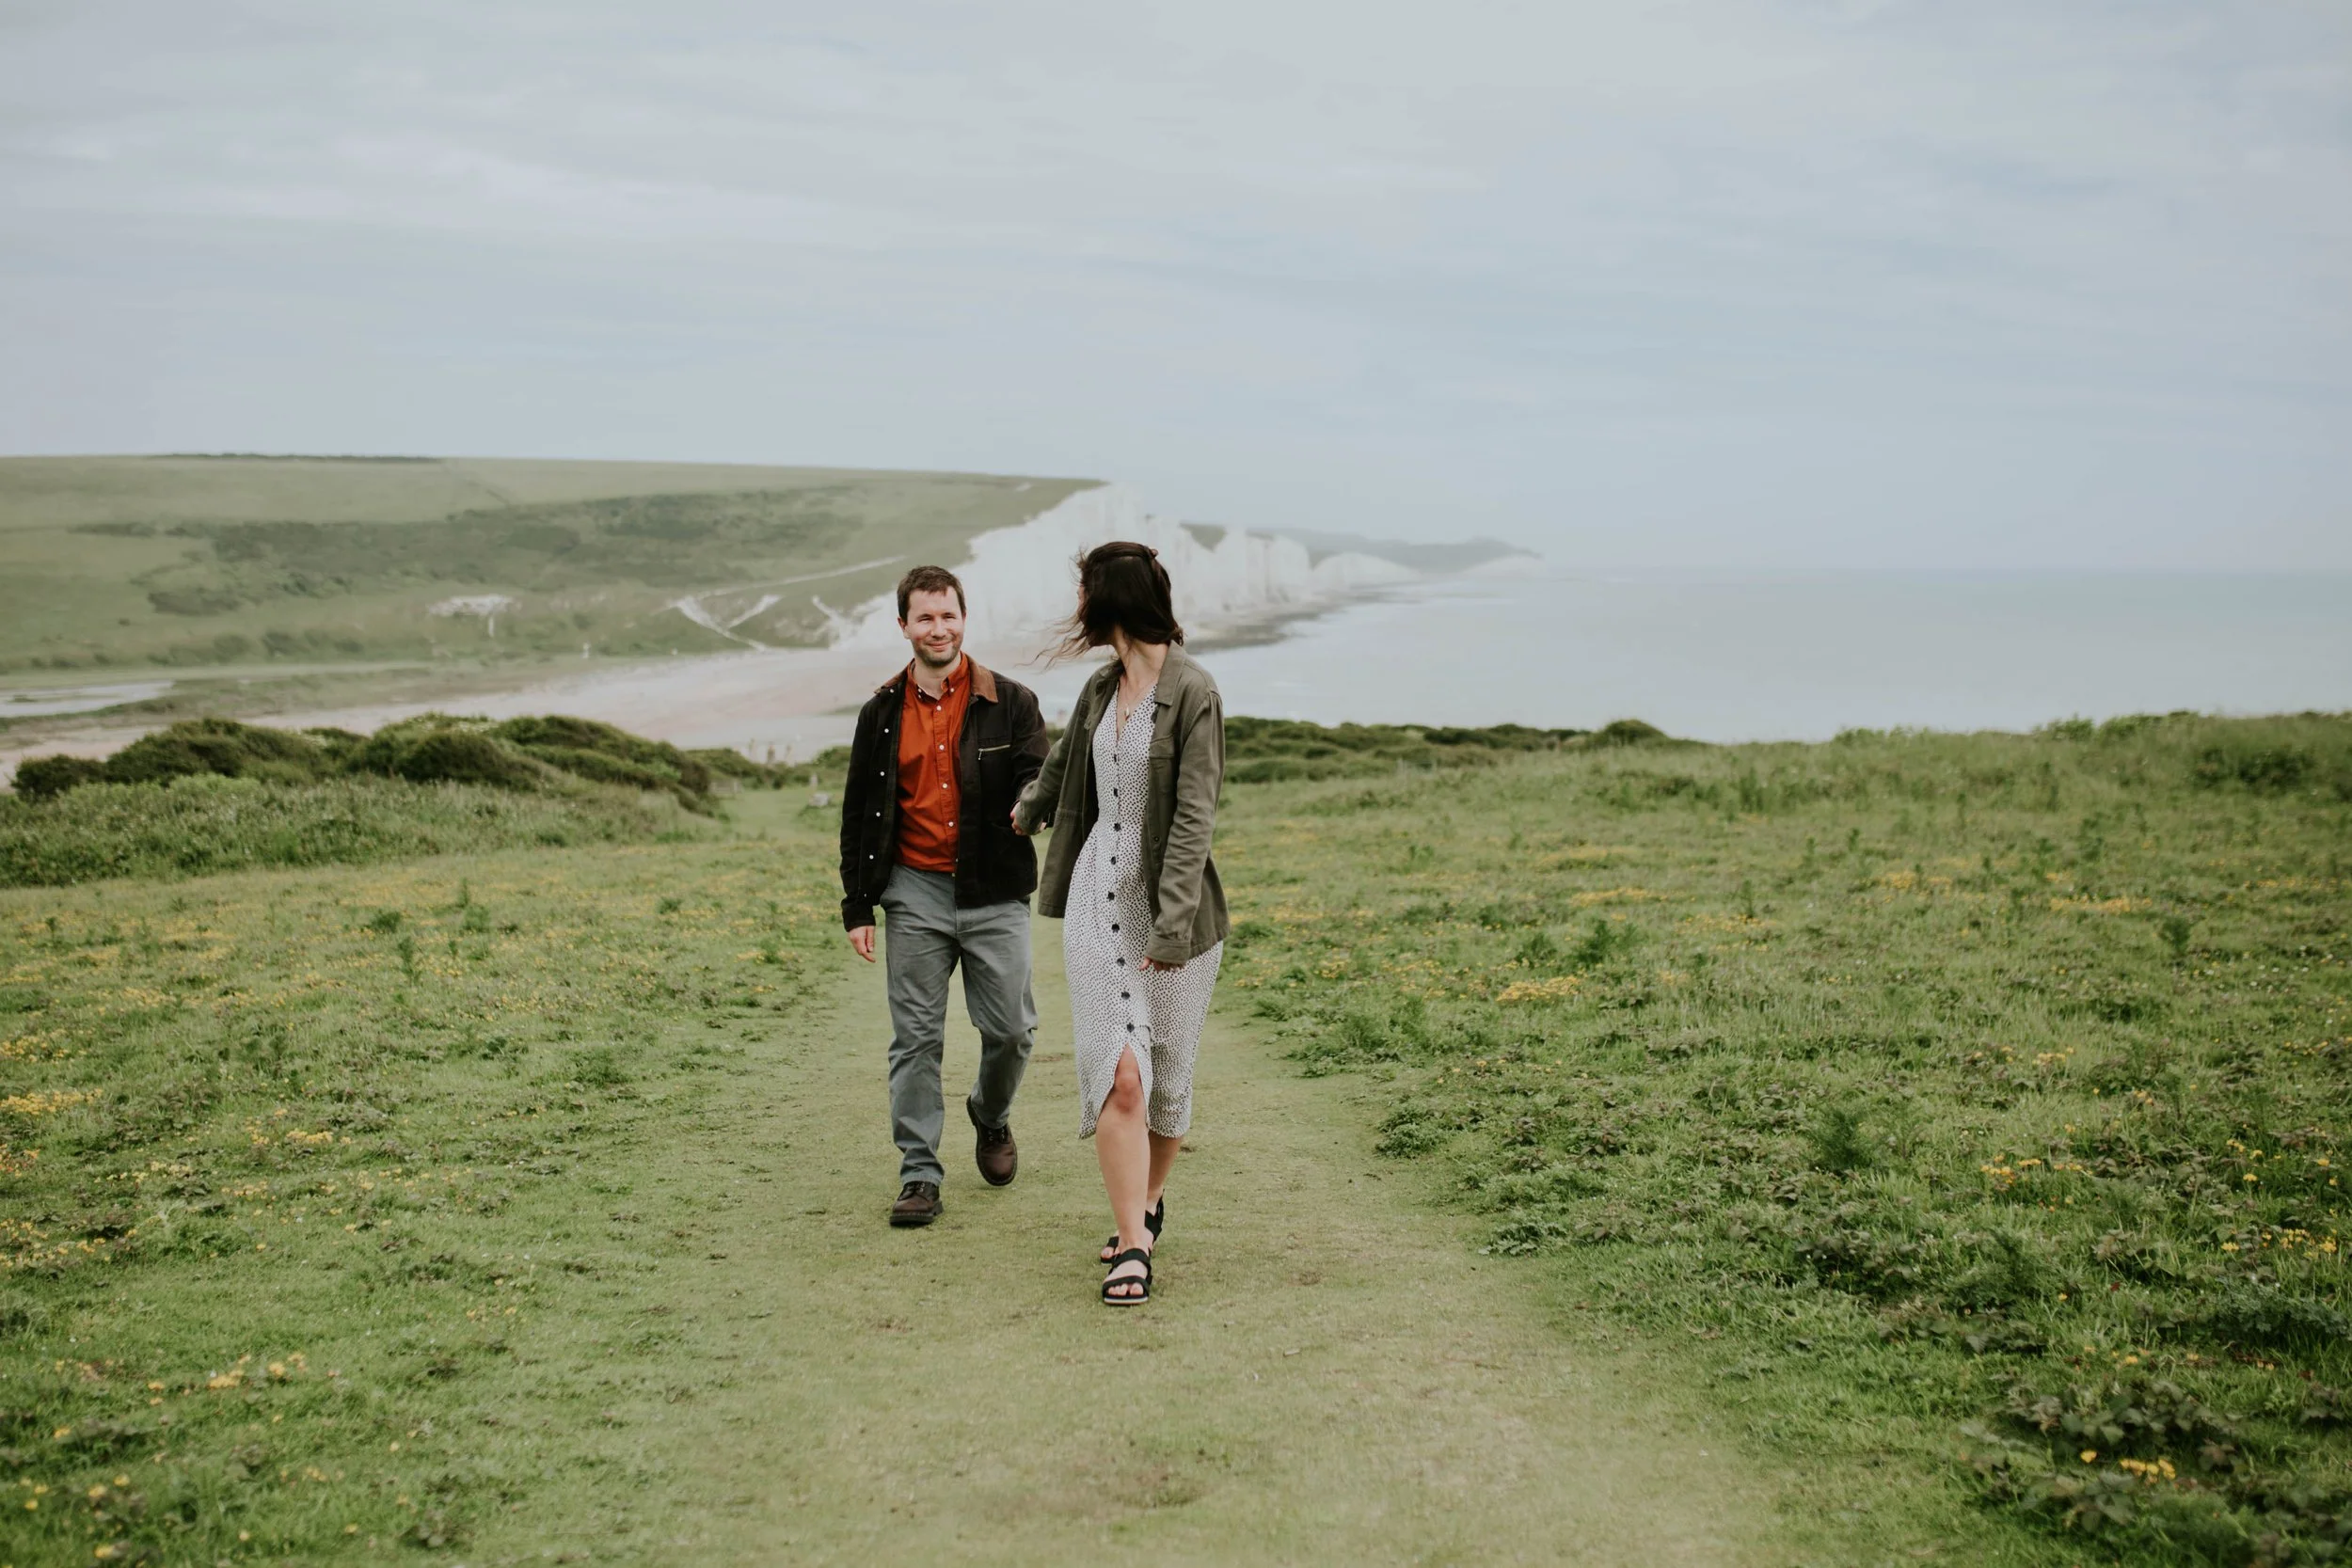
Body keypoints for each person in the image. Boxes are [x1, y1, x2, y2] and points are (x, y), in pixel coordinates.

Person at [1013, 543, 1230, 1305]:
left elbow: (1195, 815)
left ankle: (1147, 1199)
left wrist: (1171, 929)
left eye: (1084, 590)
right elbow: (1069, 758)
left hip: (1173, 913)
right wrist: (1031, 808)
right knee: (1124, 1076)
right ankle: (1132, 1246)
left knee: (1167, 1081)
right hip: (1095, 895)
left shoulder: (1195, 690)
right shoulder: (1102, 686)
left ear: (1108, 598)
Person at [840, 565, 1050, 1227]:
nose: (939, 627)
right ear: (903, 625)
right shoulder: (879, 713)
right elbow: (856, 813)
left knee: (1013, 1031)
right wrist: (857, 905)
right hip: (913, 893)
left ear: (965, 618)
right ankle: (920, 1175)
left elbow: (1037, 775)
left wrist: (1031, 806)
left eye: (949, 614)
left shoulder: (1012, 702)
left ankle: (990, 1117)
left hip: (994, 891)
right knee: (915, 1040)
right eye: (925, 617)